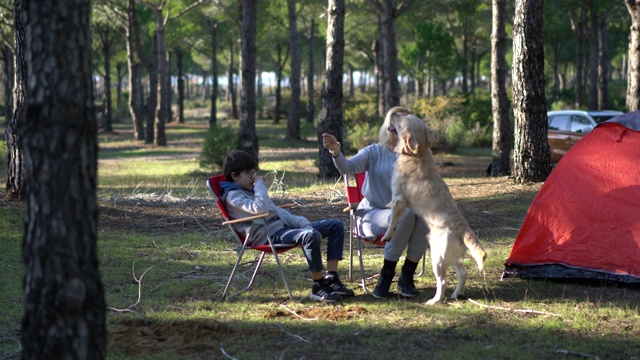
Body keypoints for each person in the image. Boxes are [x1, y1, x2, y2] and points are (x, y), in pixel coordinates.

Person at [322, 106, 429, 300]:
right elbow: (347, 168)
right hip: (371, 214)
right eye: (396, 122)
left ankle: (407, 276)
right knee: (405, 215)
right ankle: (385, 278)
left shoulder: (415, 156)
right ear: (389, 127)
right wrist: (336, 151)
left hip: (406, 216)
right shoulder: (375, 151)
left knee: (423, 215)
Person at [219, 150, 354, 303]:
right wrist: (260, 185)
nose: (253, 176)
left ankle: (332, 279)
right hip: (269, 237)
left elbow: (278, 211)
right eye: (248, 173)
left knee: (335, 225)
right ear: (235, 176)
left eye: (254, 172)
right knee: (310, 236)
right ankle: (318, 285)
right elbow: (261, 209)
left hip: (283, 229)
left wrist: (304, 224)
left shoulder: (250, 191)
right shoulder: (233, 196)